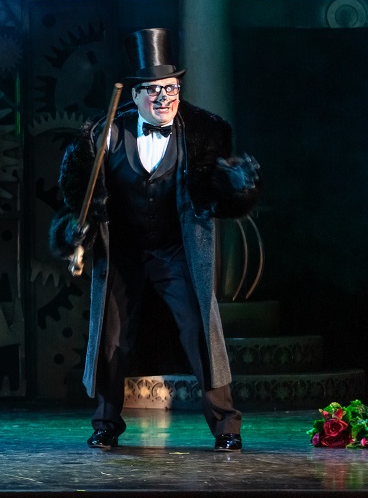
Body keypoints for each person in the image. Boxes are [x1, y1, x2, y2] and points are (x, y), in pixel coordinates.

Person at [50, 28, 260, 452]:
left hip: (176, 251)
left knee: (199, 332)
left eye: (171, 88)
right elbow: (78, 202)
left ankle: (227, 426)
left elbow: (215, 195)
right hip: (123, 252)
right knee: (112, 338)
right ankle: (106, 424)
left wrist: (235, 186)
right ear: (135, 94)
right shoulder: (103, 135)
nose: (164, 97)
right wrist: (74, 230)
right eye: (154, 90)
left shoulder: (203, 133)